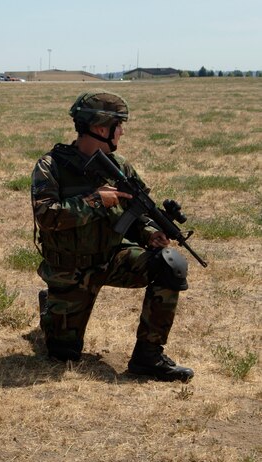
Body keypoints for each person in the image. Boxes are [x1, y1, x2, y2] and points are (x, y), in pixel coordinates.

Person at [31, 90, 193, 383]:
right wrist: (96, 200)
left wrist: (149, 233)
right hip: (70, 269)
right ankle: (51, 307)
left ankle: (148, 357)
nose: (122, 132)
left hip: (112, 258)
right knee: (63, 354)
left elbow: (136, 214)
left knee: (171, 264)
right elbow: (46, 217)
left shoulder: (120, 167)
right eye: (119, 125)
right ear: (101, 128)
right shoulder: (50, 166)